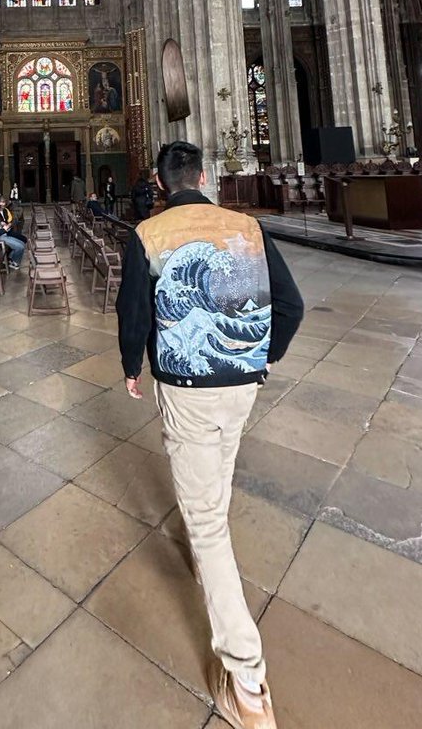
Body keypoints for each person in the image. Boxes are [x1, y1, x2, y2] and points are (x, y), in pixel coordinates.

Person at [116, 141, 303, 729]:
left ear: (159, 181)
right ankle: (203, 551)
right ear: (203, 175)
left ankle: (246, 676)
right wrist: (262, 356)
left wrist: (131, 365)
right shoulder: (245, 225)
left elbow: (134, 313)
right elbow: (292, 305)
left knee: (205, 519)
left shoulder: (149, 232)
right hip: (244, 379)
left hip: (188, 382)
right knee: (218, 469)